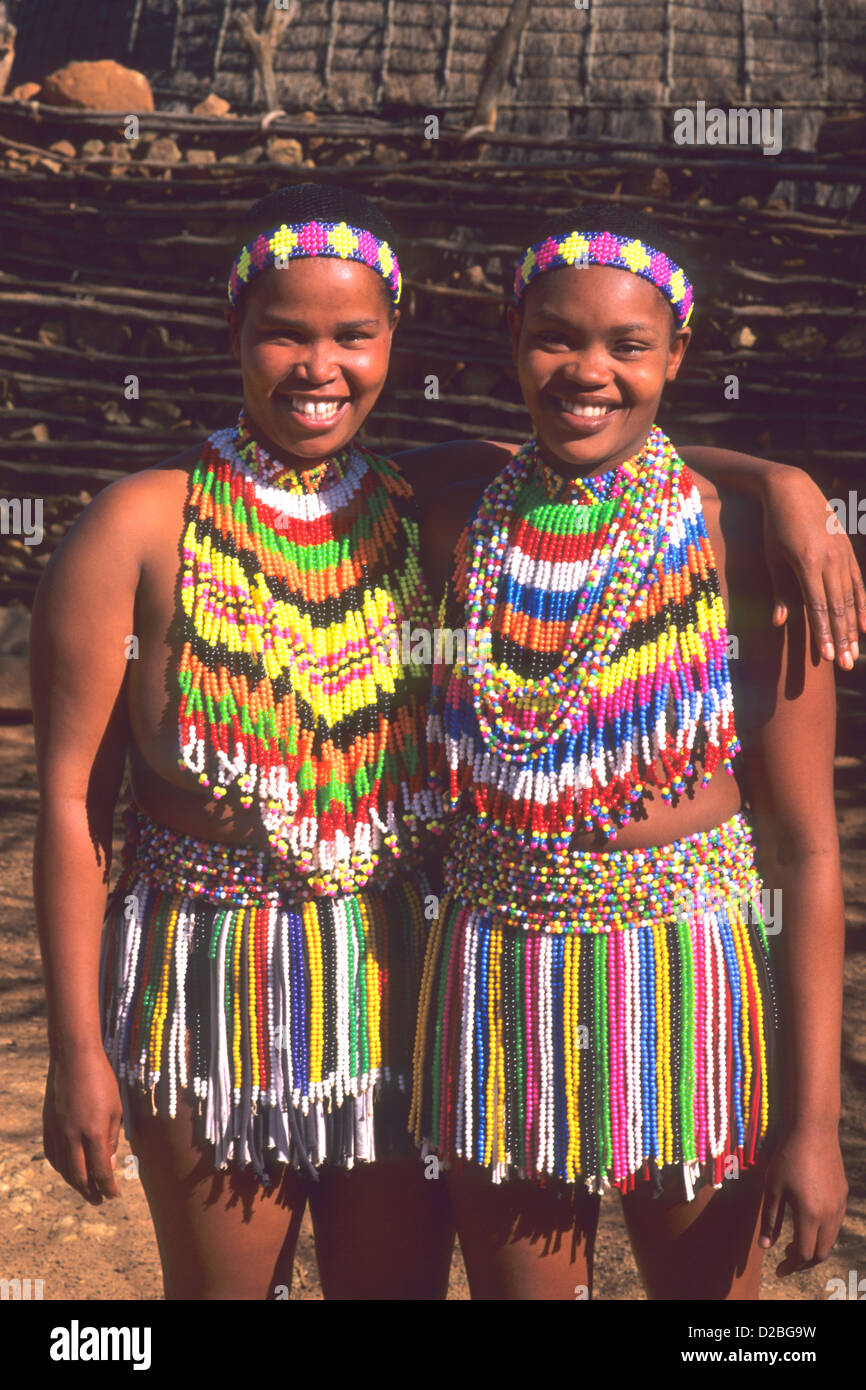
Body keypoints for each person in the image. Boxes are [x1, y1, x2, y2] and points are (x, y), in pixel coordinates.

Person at [33, 187, 859, 1302]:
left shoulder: (705, 539)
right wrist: (76, 1054)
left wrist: (787, 485)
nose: (319, 365)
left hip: (610, 984)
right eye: (286, 330)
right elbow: (76, 807)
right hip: (375, 990)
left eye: (353, 336)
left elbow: (805, 851)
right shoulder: (406, 508)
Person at [409, 205, 851, 1300]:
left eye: (627, 345)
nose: (585, 370)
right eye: (555, 337)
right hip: (493, 981)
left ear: (677, 355)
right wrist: (770, 467)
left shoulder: (738, 544)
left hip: (686, 982)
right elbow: (301, 462)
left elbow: (802, 853)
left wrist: (811, 1124)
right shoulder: (457, 509)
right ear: (511, 340)